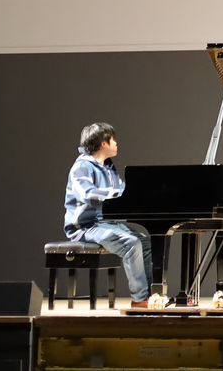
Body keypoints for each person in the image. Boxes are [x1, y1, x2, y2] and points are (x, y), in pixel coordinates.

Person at [64, 122, 166, 308]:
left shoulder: (109, 168)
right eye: (112, 139)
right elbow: (86, 194)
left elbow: (123, 191)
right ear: (103, 143)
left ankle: (151, 295)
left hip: (106, 224)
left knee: (144, 240)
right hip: (85, 227)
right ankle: (139, 298)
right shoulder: (82, 167)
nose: (116, 143)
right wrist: (117, 195)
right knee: (131, 243)